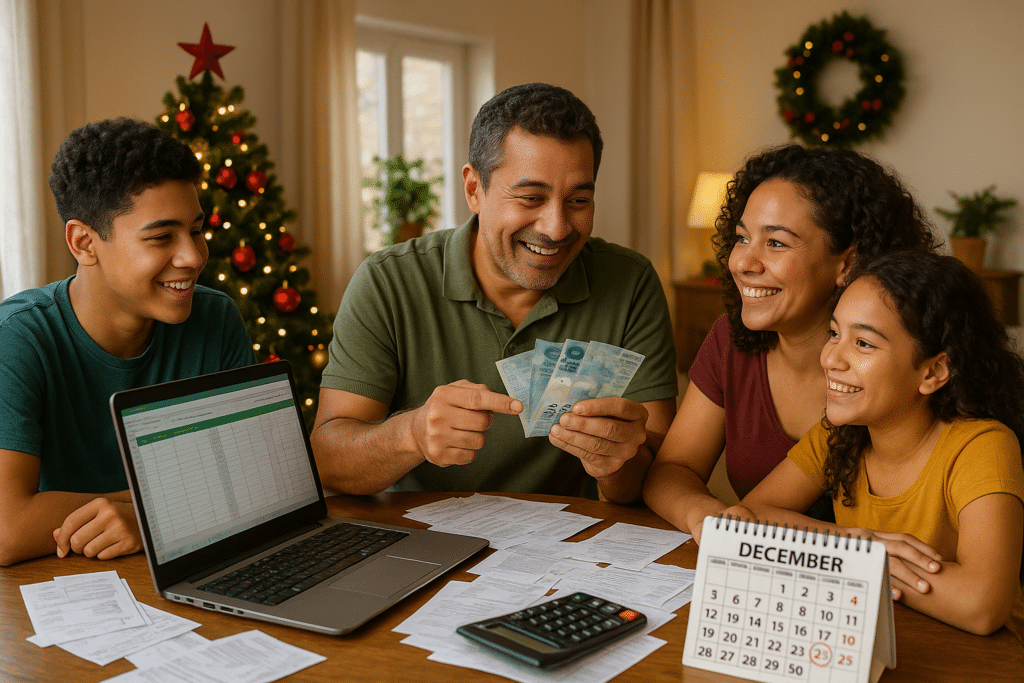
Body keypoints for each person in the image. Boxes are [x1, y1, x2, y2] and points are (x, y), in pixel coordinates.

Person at [311, 83, 677, 503]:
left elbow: (657, 475)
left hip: (567, 551)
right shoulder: (387, 281)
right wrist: (411, 433)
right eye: (530, 197)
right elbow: (328, 463)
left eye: (578, 200)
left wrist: (617, 462)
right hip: (425, 543)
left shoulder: (630, 282)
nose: (556, 228)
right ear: (474, 190)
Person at [644, 144, 938, 543]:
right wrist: (709, 518)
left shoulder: (901, 367)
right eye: (742, 238)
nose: (743, 262)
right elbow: (672, 470)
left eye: (777, 243)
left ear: (848, 263)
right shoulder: (729, 341)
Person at [0, 118, 255, 566]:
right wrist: (170, 502)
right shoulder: (18, 340)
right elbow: (6, 529)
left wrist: (149, 517)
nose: (193, 257)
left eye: (196, 230)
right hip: (58, 594)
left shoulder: (216, 319)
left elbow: (258, 482)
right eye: (161, 237)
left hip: (193, 573)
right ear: (84, 242)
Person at [732, 251, 1024, 637]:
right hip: (887, 642)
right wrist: (853, 549)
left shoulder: (983, 446)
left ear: (934, 371)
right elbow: (749, 517)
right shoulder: (841, 435)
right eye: (835, 333)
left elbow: (982, 605)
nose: (832, 357)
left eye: (864, 344)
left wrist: (864, 562)